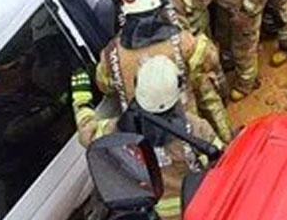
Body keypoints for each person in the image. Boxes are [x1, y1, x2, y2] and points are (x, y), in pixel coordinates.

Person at [72, 56, 220, 220]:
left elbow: (87, 134)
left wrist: (81, 100)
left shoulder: (117, 131)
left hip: (156, 212)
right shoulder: (196, 129)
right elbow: (222, 164)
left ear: (137, 87)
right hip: (195, 207)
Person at [94, 0, 232, 143]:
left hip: (144, 131)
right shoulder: (182, 41)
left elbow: (105, 86)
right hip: (186, 124)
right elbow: (210, 59)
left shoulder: (110, 53)